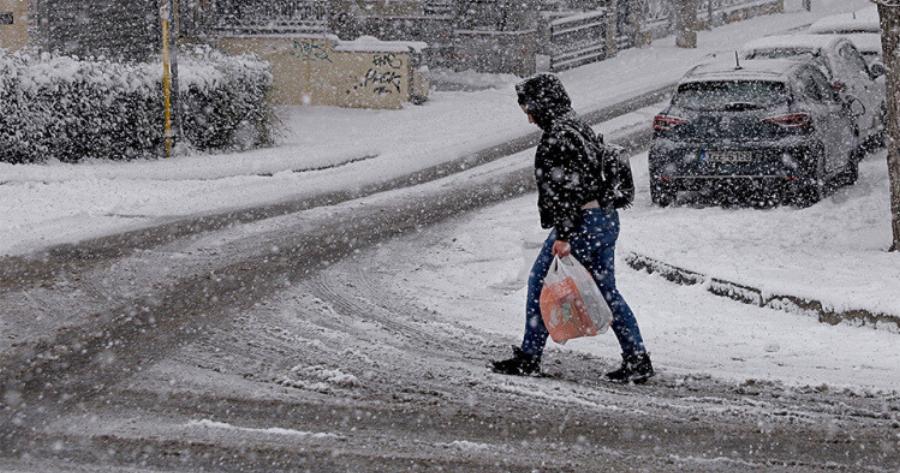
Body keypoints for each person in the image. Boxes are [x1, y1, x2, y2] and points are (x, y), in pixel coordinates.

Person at [491, 73, 654, 384]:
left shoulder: (560, 135)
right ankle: (637, 358)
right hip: (604, 219)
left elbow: (567, 189)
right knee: (605, 290)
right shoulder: (577, 126)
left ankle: (529, 357)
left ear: (542, 105)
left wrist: (564, 235)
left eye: (530, 110)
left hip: (581, 223)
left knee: (541, 282)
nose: (529, 119)